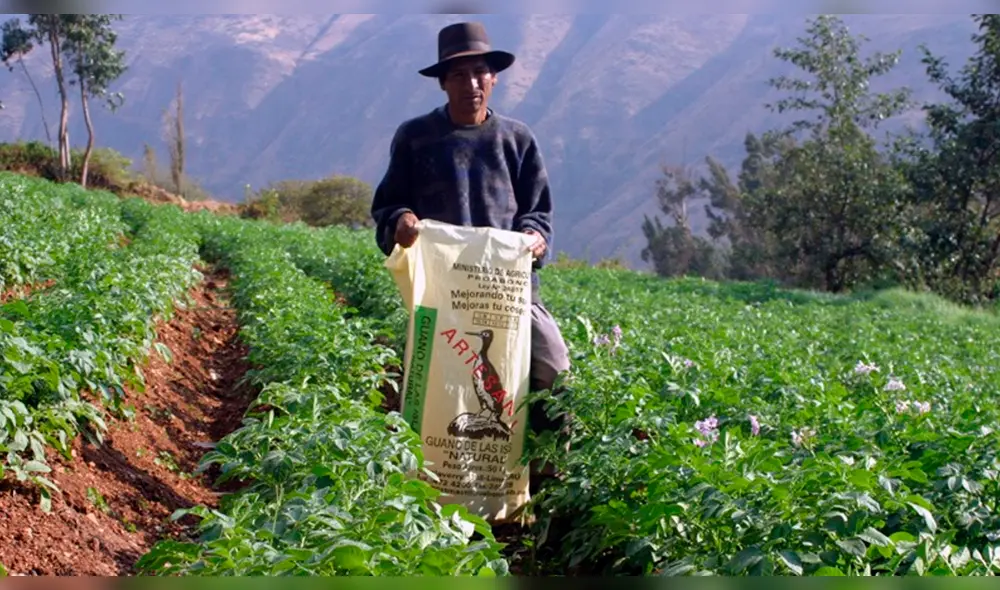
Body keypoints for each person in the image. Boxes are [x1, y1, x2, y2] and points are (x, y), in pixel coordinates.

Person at [369, 21, 570, 489]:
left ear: (494, 78)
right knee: (414, 387)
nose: (471, 84)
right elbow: (386, 207)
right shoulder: (416, 138)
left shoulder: (517, 140)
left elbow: (539, 214)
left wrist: (535, 239)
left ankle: (543, 480)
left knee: (553, 368)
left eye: (480, 73)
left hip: (508, 293)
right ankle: (416, 484)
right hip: (442, 293)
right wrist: (400, 222)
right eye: (459, 75)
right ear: (443, 82)